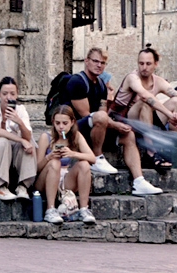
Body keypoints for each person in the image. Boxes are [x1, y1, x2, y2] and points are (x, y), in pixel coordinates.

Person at [69, 47, 161, 195]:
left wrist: (117, 126)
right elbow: (87, 115)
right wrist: (115, 124)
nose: (99, 65)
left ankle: (139, 181)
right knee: (100, 117)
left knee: (128, 135)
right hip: (74, 131)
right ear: (86, 61)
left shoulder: (101, 85)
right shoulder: (77, 81)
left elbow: (103, 111)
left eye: (103, 63)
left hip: (95, 129)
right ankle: (97, 158)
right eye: (95, 61)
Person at [36, 105, 97, 224]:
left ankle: (84, 209)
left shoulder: (76, 136)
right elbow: (37, 168)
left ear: (72, 122)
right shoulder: (46, 137)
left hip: (64, 180)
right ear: (53, 122)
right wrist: (49, 157)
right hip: (46, 178)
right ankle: (50, 209)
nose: (61, 127)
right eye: (57, 123)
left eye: (65, 123)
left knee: (84, 164)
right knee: (54, 163)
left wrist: (72, 154)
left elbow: (92, 158)